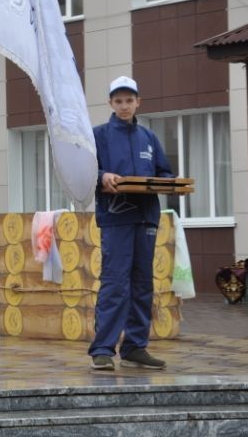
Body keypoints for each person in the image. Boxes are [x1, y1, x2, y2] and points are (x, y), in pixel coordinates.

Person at [89, 76, 173, 371]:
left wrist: (165, 182)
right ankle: (102, 348)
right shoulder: (98, 135)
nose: (124, 106)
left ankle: (135, 347)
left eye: (129, 100)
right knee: (115, 284)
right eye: (118, 101)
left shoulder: (148, 138)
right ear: (110, 103)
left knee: (142, 283)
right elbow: (86, 170)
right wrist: (102, 176)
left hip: (146, 217)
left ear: (138, 102)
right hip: (116, 217)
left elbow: (165, 172)